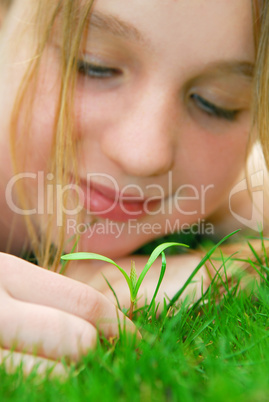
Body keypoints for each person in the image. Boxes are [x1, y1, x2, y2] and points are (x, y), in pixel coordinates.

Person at [0, 0, 266, 371]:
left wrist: (211, 269)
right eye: (93, 65)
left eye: (215, 103)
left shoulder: (233, 192)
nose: (144, 155)